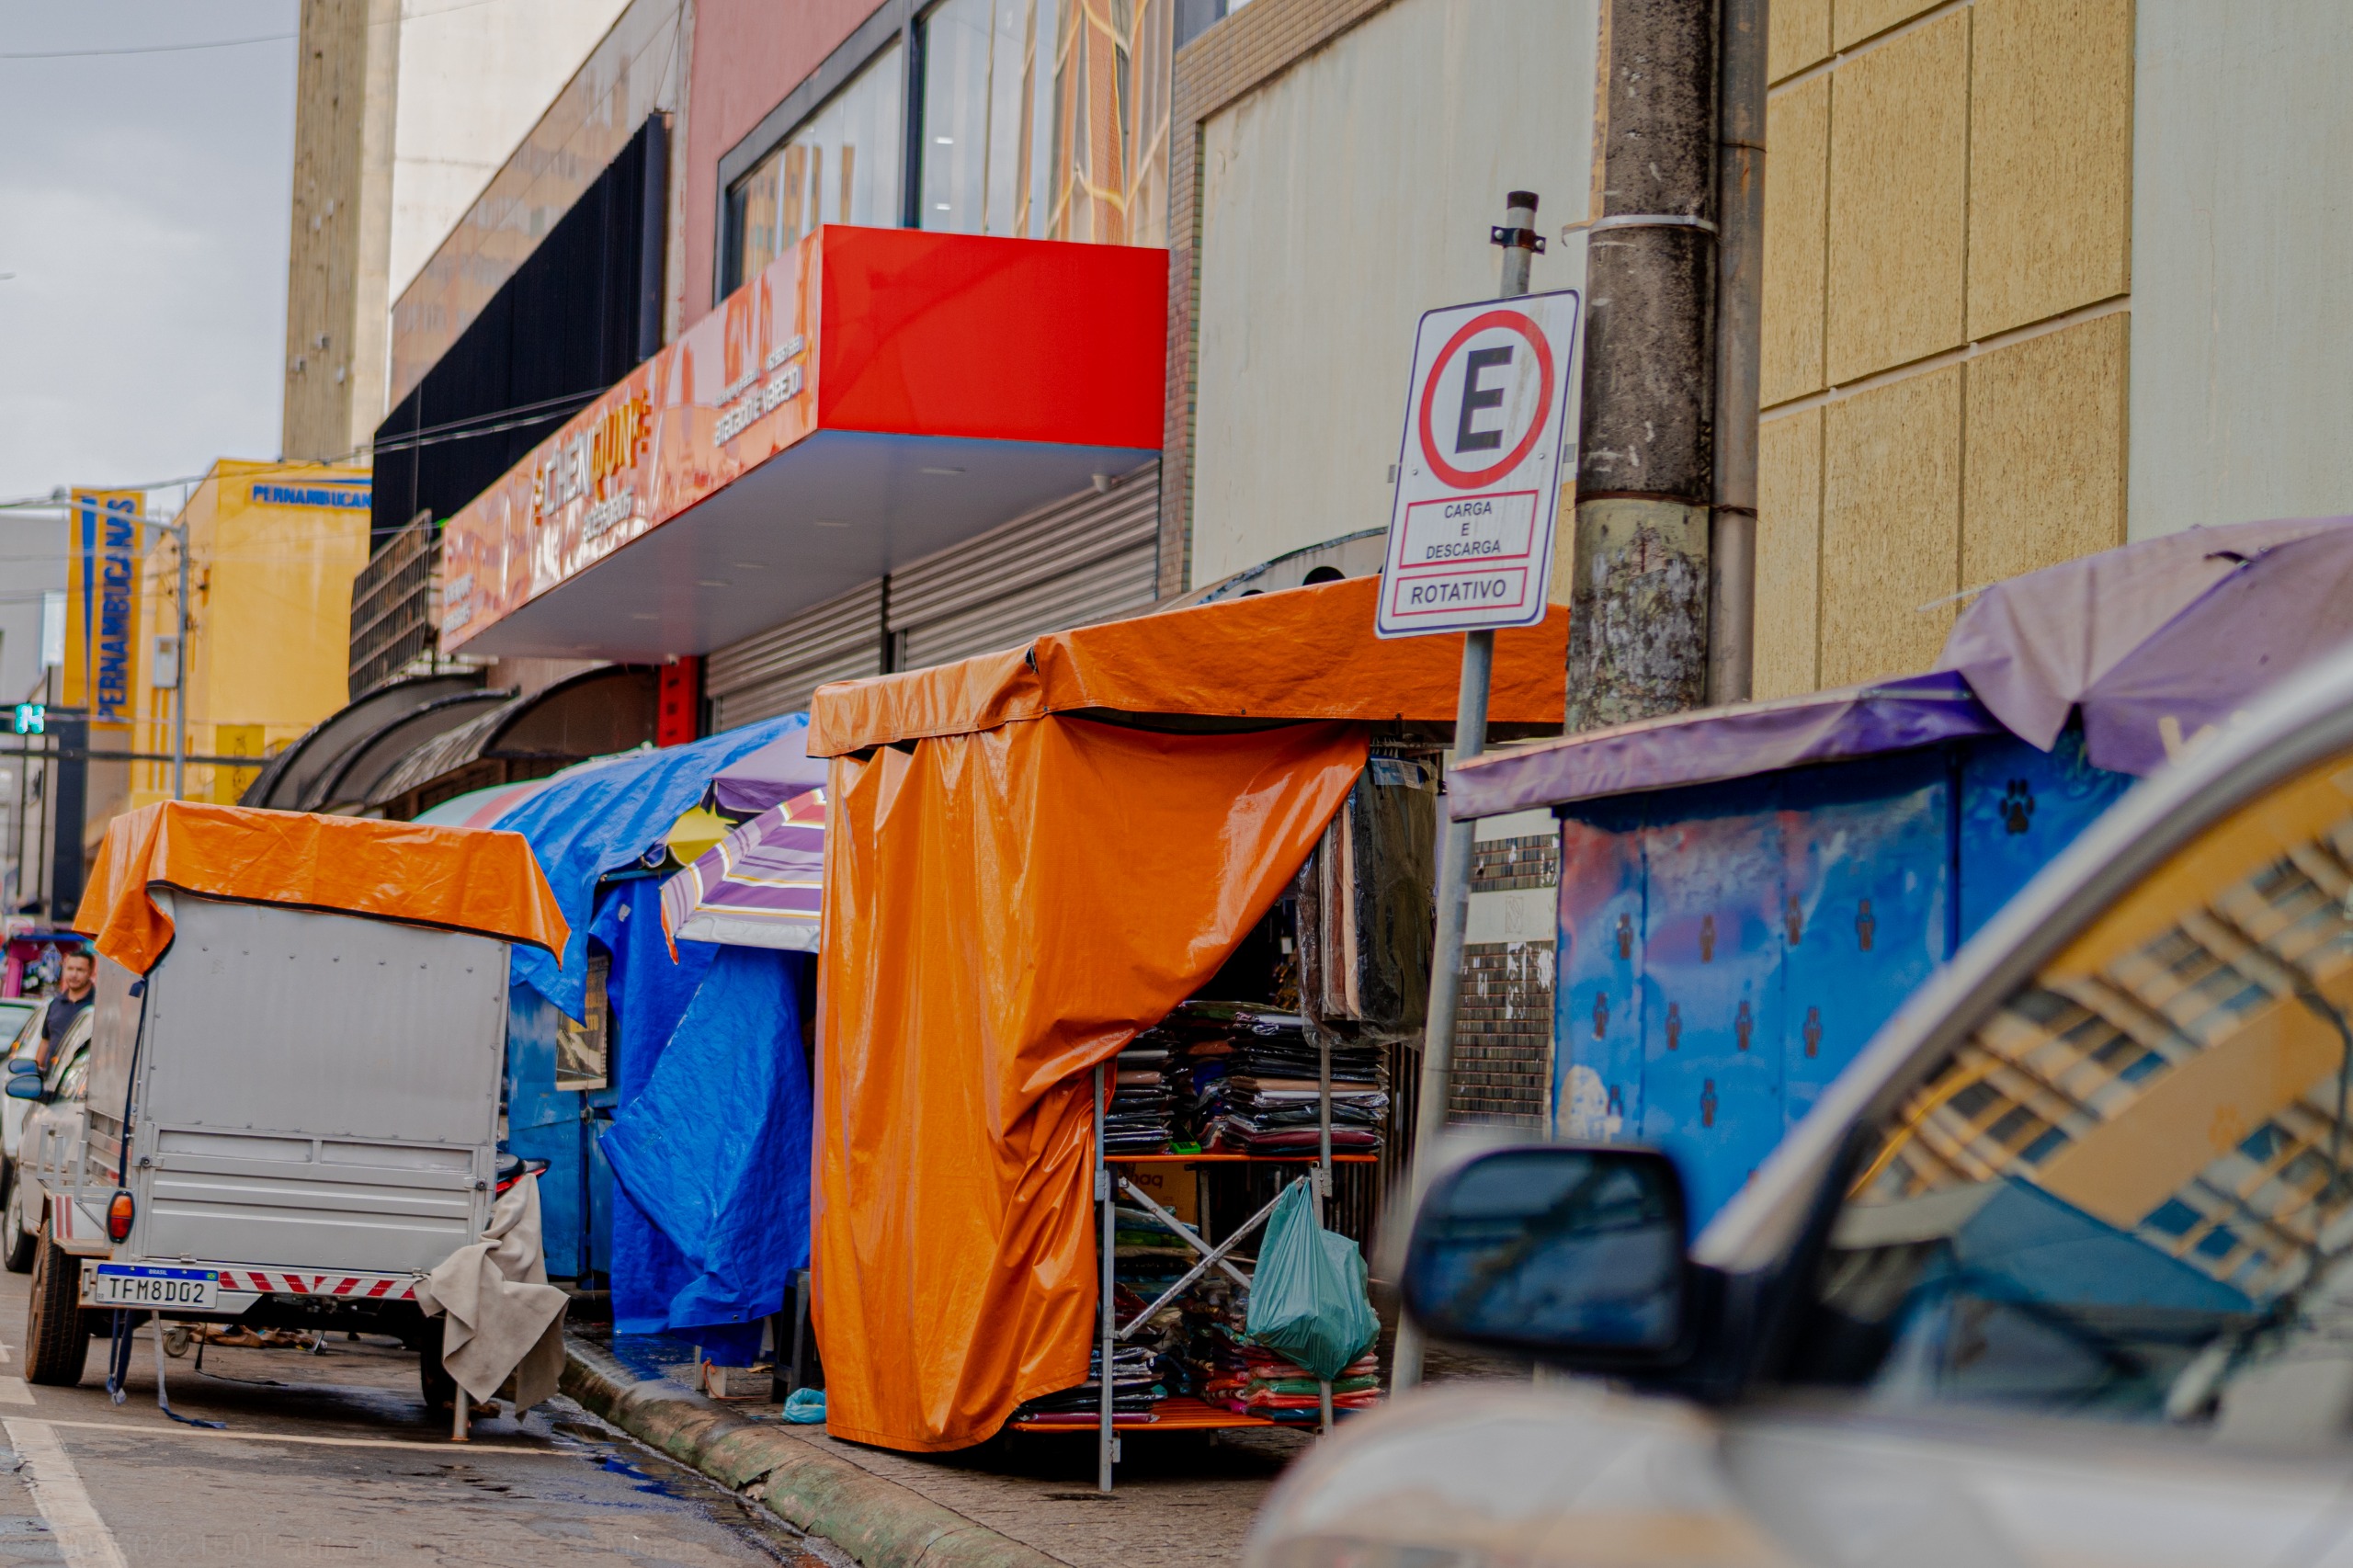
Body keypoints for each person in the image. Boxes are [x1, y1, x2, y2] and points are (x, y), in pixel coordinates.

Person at [39, 949, 92, 1071]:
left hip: (77, 1081)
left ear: (90, 973)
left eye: (80, 970)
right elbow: (45, 1041)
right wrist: (36, 1073)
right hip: (52, 1079)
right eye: (70, 969)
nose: (74, 974)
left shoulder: (96, 1005)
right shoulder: (55, 1004)